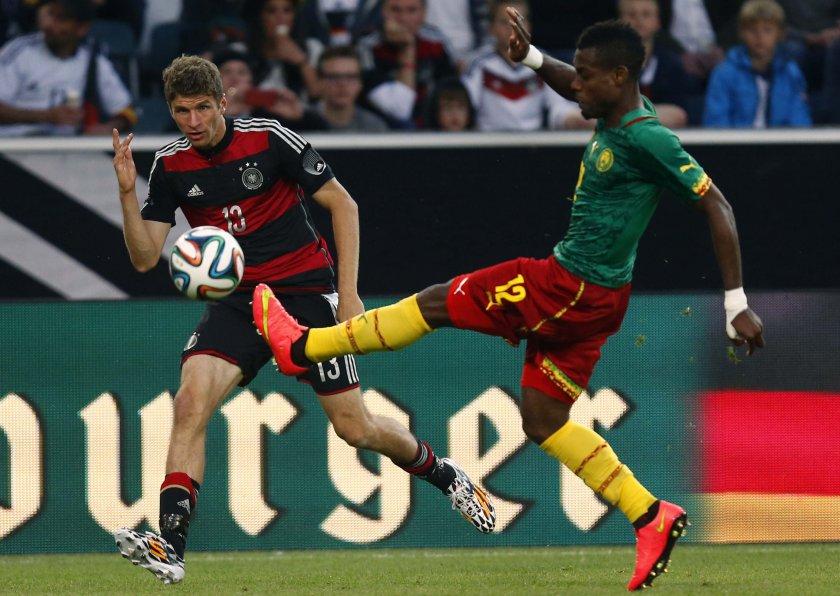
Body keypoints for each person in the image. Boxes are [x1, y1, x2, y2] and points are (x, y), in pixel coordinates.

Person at [252, 13, 766, 592]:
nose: (577, 87)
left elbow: (717, 206)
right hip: (599, 298)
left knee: (438, 302)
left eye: (589, 77)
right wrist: (530, 59)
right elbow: (571, 79)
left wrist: (735, 304)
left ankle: (304, 346)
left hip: (567, 287)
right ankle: (650, 514)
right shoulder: (613, 110)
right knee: (544, 419)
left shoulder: (648, 138)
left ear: (621, 77)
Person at [110, 55, 495, 585]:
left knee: (354, 428)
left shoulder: (269, 138)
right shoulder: (170, 165)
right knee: (189, 403)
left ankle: (443, 472)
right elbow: (144, 257)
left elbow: (344, 205)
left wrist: (349, 294)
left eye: (202, 108)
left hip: (306, 293)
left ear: (224, 103)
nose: (192, 121)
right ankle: (170, 547)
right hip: (238, 300)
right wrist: (127, 193)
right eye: (181, 111)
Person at [0, 0, 136, 137]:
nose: (49, 25)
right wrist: (46, 116)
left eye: (60, 20)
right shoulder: (20, 50)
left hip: (69, 147)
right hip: (15, 144)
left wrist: (108, 128)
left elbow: (127, 111)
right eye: (50, 16)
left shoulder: (92, 57)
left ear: (81, 28)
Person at [461, 0, 588, 131]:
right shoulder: (479, 64)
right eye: (504, 22)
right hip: (487, 143)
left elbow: (558, 108)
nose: (512, 28)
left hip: (533, 144)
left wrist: (574, 119)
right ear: (491, 28)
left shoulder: (542, 61)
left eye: (519, 22)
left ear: (528, 26)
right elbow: (465, 106)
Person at [703, 0, 811, 128]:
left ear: (780, 34)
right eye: (752, 30)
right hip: (735, 145)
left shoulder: (791, 73)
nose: (760, 37)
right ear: (742, 33)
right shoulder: (723, 73)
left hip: (781, 145)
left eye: (767, 30)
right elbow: (716, 122)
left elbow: (799, 120)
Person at [356, 0, 457, 128]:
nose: (403, 19)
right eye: (395, 10)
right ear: (383, 12)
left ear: (424, 14)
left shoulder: (437, 42)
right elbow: (399, 110)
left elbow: (451, 91)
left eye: (411, 10)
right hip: (381, 128)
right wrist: (408, 47)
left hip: (431, 126)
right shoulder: (367, 45)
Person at [618, 0, 689, 128]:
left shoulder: (671, 64)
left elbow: (678, 113)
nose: (639, 20)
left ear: (658, 22)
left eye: (646, 14)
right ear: (620, 21)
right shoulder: (606, 64)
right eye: (631, 15)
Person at [315, 44, 389, 132]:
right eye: (333, 77)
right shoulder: (301, 123)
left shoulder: (375, 127)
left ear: (360, 83)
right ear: (320, 81)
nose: (342, 84)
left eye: (350, 77)